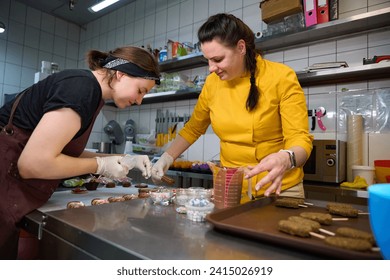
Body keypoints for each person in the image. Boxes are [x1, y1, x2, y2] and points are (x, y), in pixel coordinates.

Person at [0, 45, 160, 259]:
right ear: (121, 74)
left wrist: (123, 159)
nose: (139, 101)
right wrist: (100, 165)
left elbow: (64, 153)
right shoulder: (82, 88)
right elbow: (33, 164)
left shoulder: (92, 94)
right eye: (141, 90)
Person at [152, 13, 313, 201]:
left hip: (279, 188)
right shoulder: (212, 84)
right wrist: (167, 158)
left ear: (241, 47)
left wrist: (286, 157)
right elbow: (193, 128)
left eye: (218, 59)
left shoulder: (281, 77)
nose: (211, 68)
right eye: (208, 60)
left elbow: (300, 139)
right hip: (231, 187)